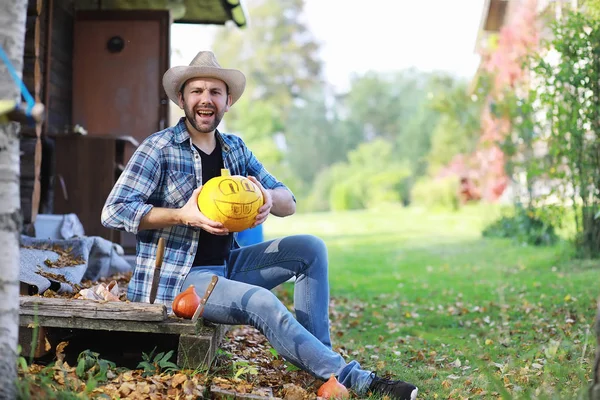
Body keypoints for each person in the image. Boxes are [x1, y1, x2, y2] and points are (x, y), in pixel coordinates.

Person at [101, 51, 418, 400]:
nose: (205, 99)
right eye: (196, 91)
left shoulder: (234, 149)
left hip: (227, 265)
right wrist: (182, 214)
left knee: (310, 248)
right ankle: (355, 378)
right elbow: (114, 211)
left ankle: (323, 367)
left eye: (215, 92)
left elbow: (289, 201)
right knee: (263, 303)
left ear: (228, 101)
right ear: (182, 99)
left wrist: (267, 196)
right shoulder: (159, 148)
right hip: (183, 281)